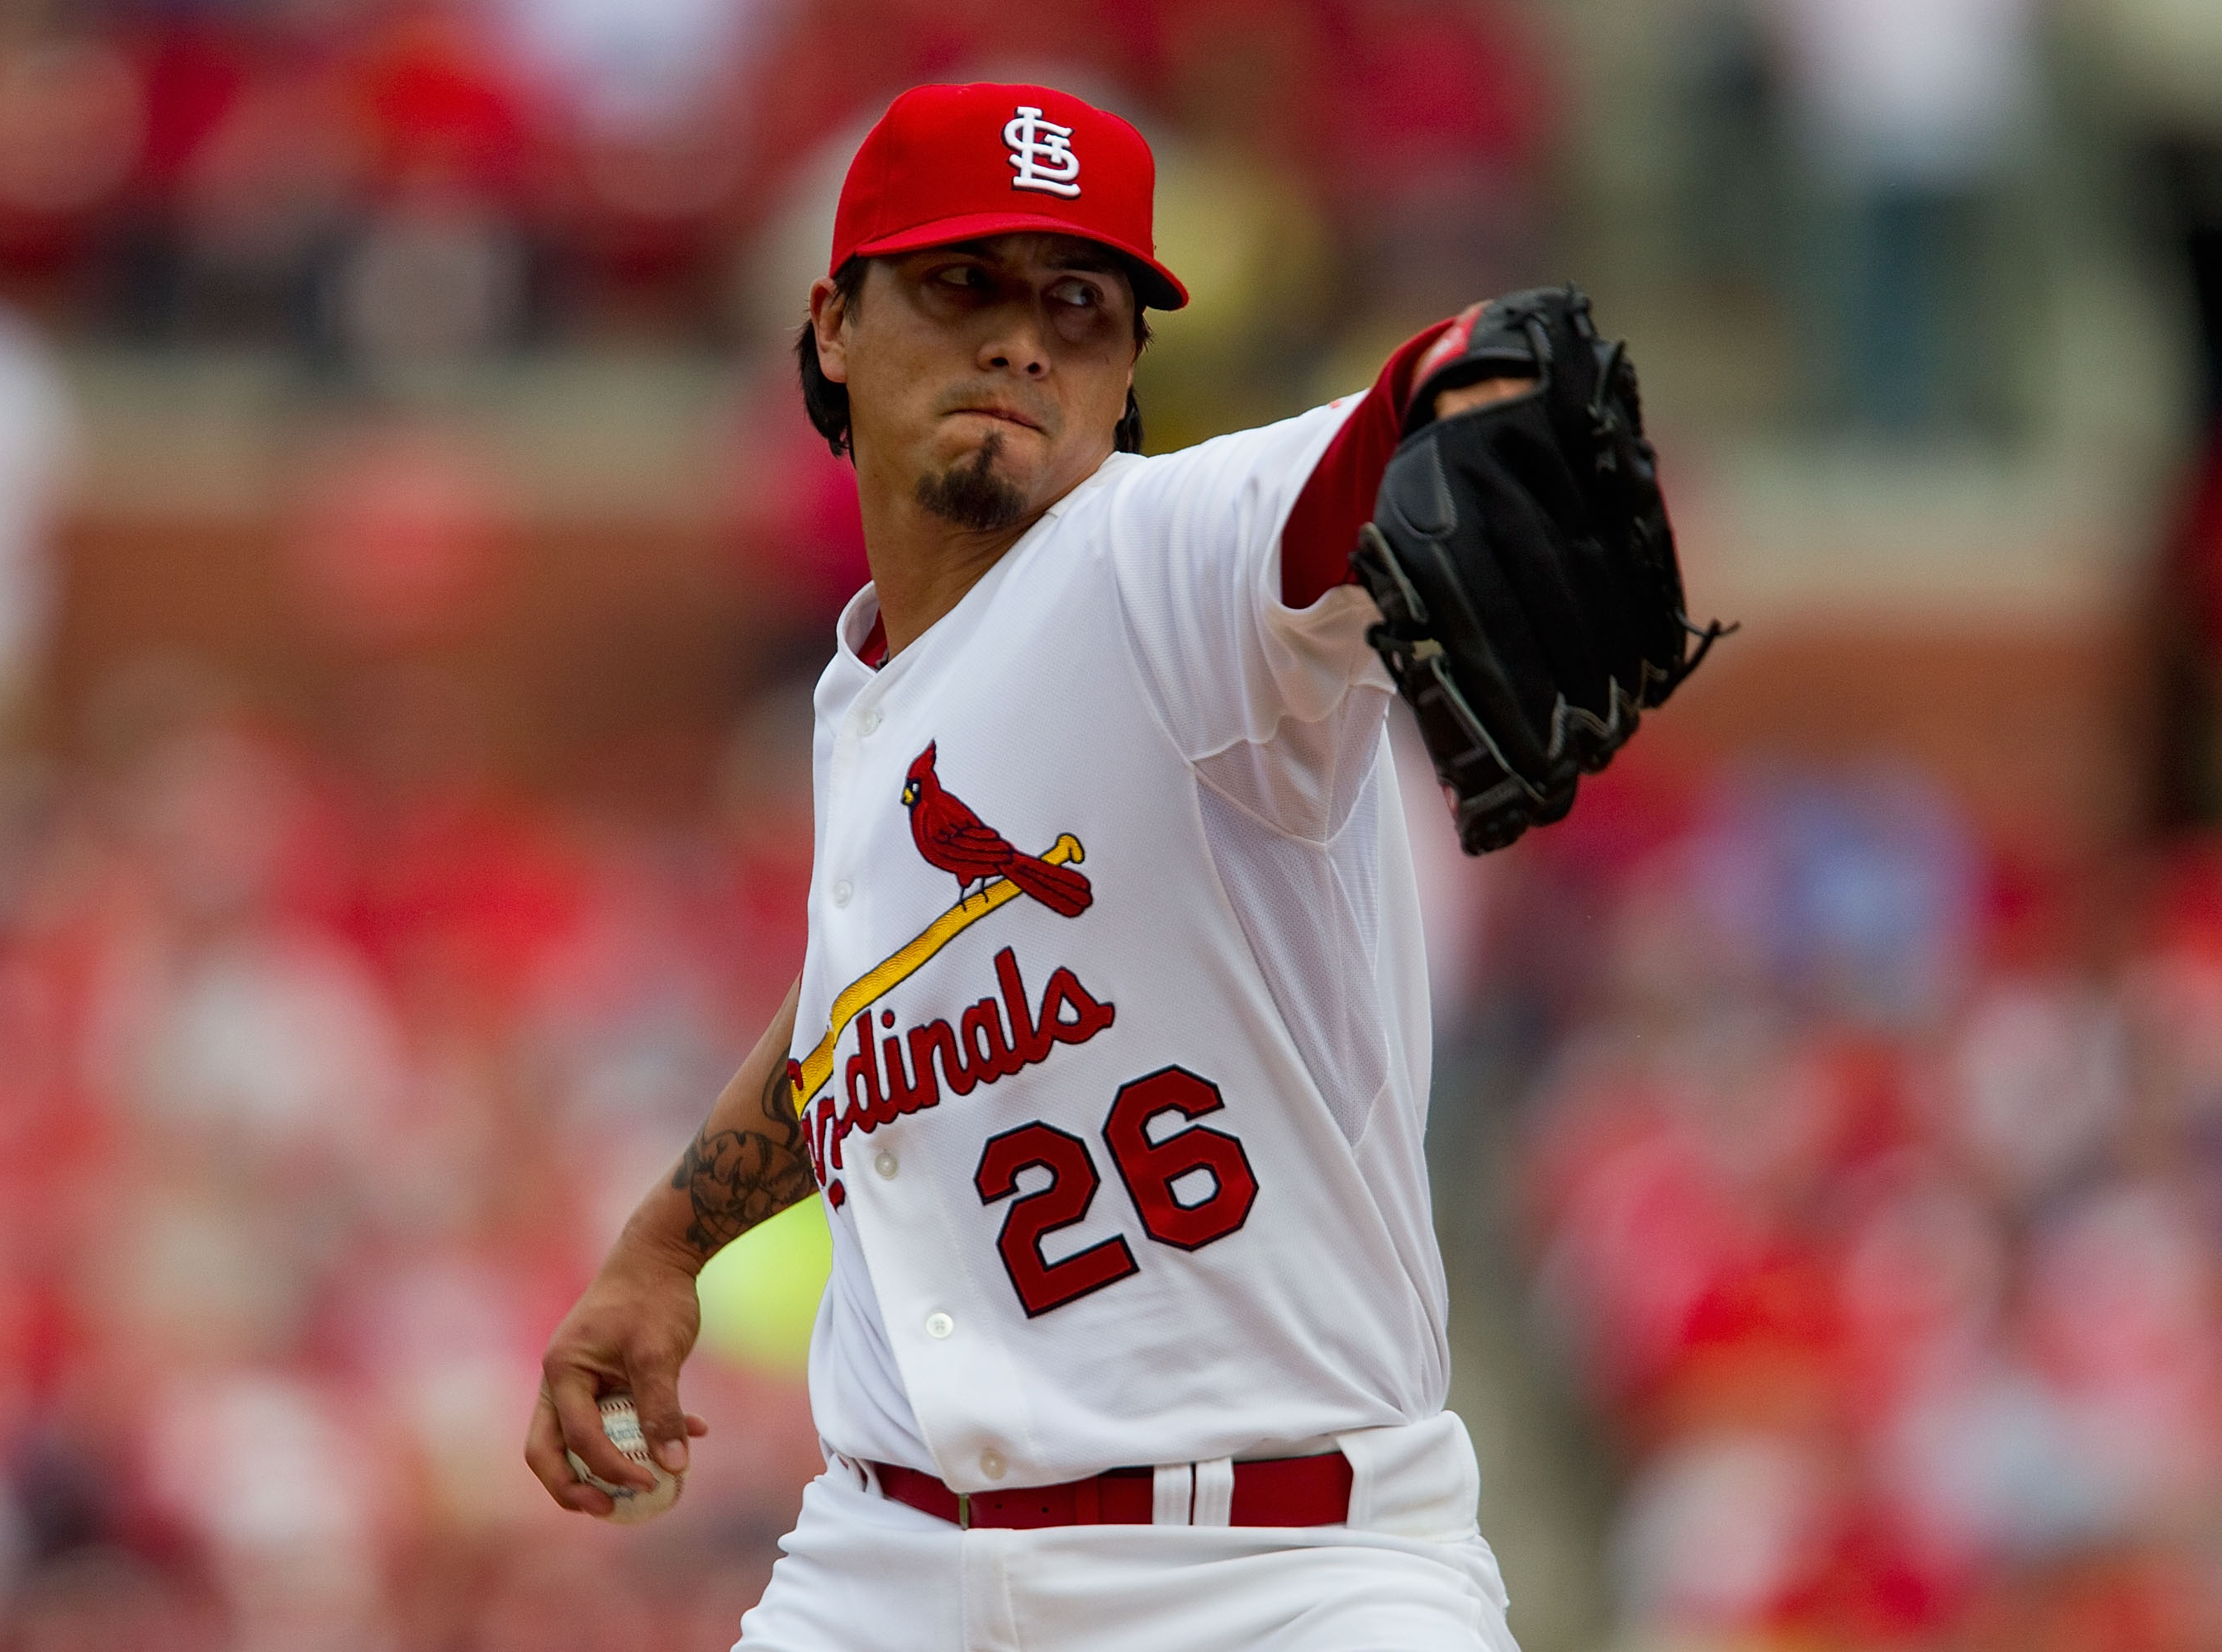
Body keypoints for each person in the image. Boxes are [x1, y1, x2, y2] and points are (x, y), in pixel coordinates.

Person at [526, 82, 1541, 1650]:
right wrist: (666, 1246)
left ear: (1130, 368)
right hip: (891, 1561)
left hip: (1278, 1579)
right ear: (834, 325)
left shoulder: (1166, 569)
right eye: (962, 286)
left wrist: (1473, 389)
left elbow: (1358, 456)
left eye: (1078, 303)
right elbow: (873, 996)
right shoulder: (879, 685)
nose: (1023, 342)